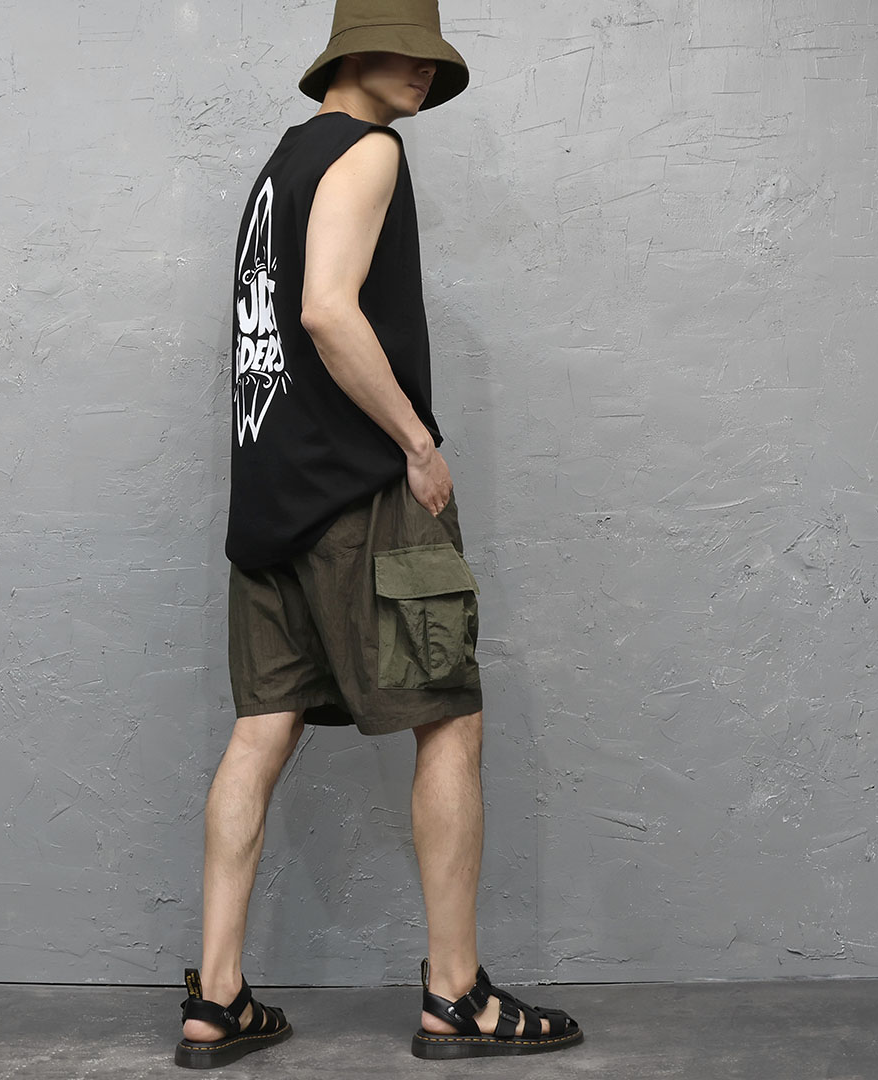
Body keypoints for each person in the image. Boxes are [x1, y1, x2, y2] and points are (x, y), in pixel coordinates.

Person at [174, 0, 584, 1068]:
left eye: (433, 58)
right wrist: (417, 442)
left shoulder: (281, 166)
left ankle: (216, 999)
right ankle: (457, 996)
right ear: (353, 52)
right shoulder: (369, 152)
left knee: (261, 733)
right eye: (410, 51)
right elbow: (325, 310)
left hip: (271, 499)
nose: (425, 74)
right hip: (357, 496)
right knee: (448, 718)